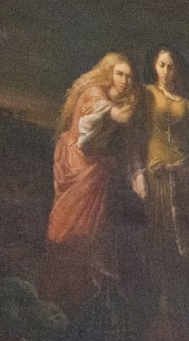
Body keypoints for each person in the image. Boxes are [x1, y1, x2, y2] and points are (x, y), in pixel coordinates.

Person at [135, 46, 189, 341]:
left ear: (178, 71)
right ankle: (162, 328)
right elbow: (132, 129)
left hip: (183, 182)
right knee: (160, 248)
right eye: (162, 65)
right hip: (157, 181)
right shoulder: (145, 96)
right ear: (154, 66)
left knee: (187, 251)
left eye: (172, 67)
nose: (167, 72)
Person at [41, 52, 138, 317]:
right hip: (77, 165)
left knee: (94, 232)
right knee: (70, 226)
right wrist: (120, 111)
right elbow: (101, 113)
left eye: (129, 76)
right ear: (109, 73)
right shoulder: (95, 93)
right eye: (119, 74)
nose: (124, 80)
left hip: (94, 169)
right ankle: (61, 295)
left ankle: (84, 296)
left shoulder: (118, 98)